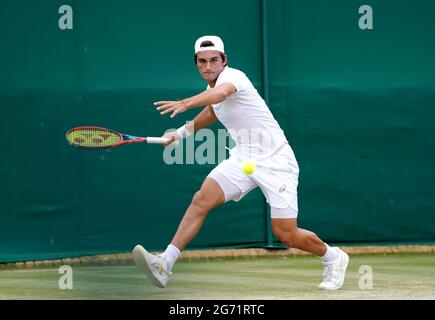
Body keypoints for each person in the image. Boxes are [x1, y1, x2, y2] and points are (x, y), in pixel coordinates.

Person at [132, 35, 349, 290]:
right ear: (197, 64)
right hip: (243, 158)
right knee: (201, 199)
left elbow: (221, 95)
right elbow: (213, 110)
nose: (208, 66)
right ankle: (165, 263)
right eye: (202, 61)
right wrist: (180, 134)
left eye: (214, 60)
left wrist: (185, 103)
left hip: (276, 161)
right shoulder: (210, 89)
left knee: (286, 234)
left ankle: (334, 257)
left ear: (224, 61)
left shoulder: (233, 77)